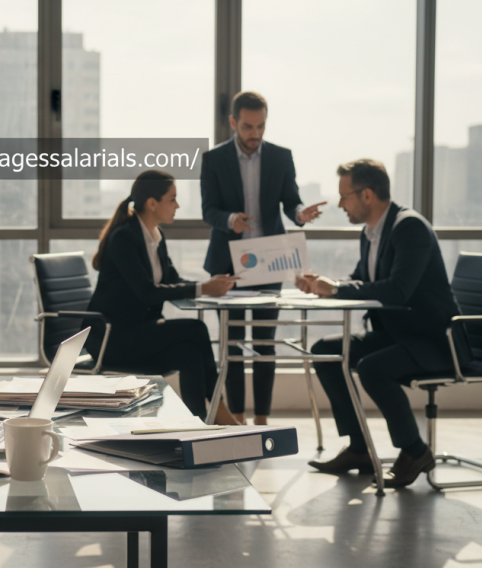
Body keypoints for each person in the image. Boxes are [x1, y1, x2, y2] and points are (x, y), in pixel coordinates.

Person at [297, 159, 466, 489]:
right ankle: (359, 448)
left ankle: (415, 452)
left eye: (345, 196)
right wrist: (326, 283)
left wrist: (339, 289)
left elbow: (398, 289)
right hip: (396, 333)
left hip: (431, 340)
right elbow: (363, 279)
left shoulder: (409, 228)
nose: (341, 204)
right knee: (325, 351)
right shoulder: (371, 232)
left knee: (373, 368)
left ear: (367, 195)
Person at [201, 91, 326, 425]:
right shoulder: (214, 160)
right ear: (233, 123)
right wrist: (231, 220)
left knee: (264, 344)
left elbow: (291, 202)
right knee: (233, 345)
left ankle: (262, 420)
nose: (254, 134)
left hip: (269, 263)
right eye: (247, 126)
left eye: (260, 126)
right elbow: (208, 210)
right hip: (229, 264)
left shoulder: (281, 158)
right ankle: (238, 418)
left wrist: (301, 214)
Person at [83, 169, 240, 423]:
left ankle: (197, 425)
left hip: (139, 332)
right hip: (113, 338)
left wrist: (210, 286)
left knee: (189, 353)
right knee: (196, 329)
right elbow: (147, 293)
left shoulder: (155, 235)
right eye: (172, 199)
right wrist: (203, 289)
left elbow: (172, 280)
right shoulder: (124, 237)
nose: (177, 205)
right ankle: (220, 411)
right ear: (152, 203)